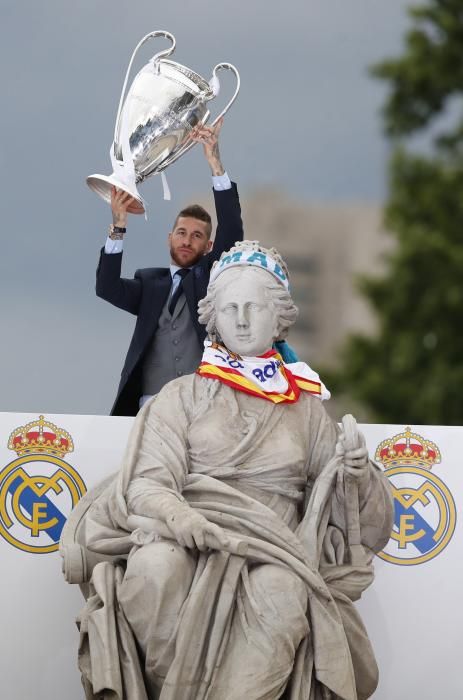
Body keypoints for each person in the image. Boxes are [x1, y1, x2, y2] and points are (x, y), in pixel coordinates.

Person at [74, 242, 393, 700]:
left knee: (282, 593)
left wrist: (356, 474)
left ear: (279, 316)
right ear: (214, 318)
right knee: (153, 571)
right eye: (231, 308)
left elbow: (350, 512)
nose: (241, 319)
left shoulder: (305, 409)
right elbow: (146, 484)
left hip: (275, 550)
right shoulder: (180, 396)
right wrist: (185, 521)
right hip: (185, 534)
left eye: (254, 307)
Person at [95, 118, 244, 416]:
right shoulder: (151, 284)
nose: (187, 241)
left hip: (203, 404)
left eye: (197, 236)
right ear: (169, 239)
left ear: (209, 246)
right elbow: (107, 287)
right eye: (182, 233)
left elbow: (232, 231)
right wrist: (118, 228)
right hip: (151, 405)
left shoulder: (209, 280)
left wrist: (215, 164)